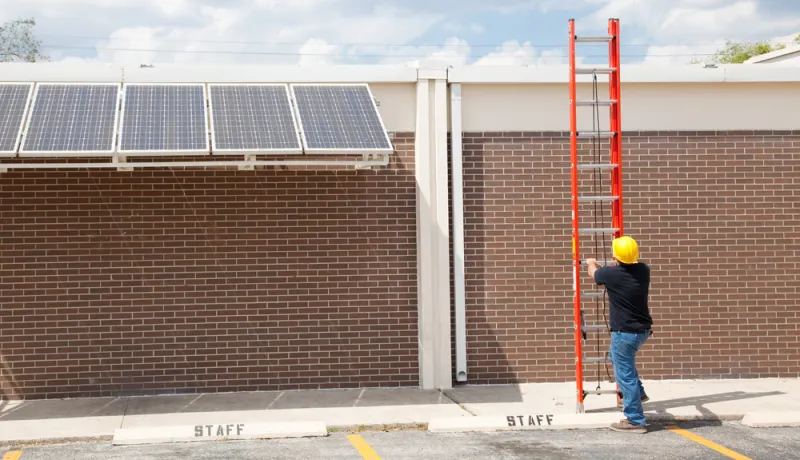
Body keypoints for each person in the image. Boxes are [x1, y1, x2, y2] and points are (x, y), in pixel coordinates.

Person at [585, 235, 653, 434]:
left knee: (625, 375)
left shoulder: (611, 275)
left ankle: (635, 420)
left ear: (616, 256)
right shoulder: (643, 270)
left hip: (625, 333)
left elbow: (594, 274)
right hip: (642, 330)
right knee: (617, 358)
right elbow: (613, 271)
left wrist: (591, 262)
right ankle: (638, 393)